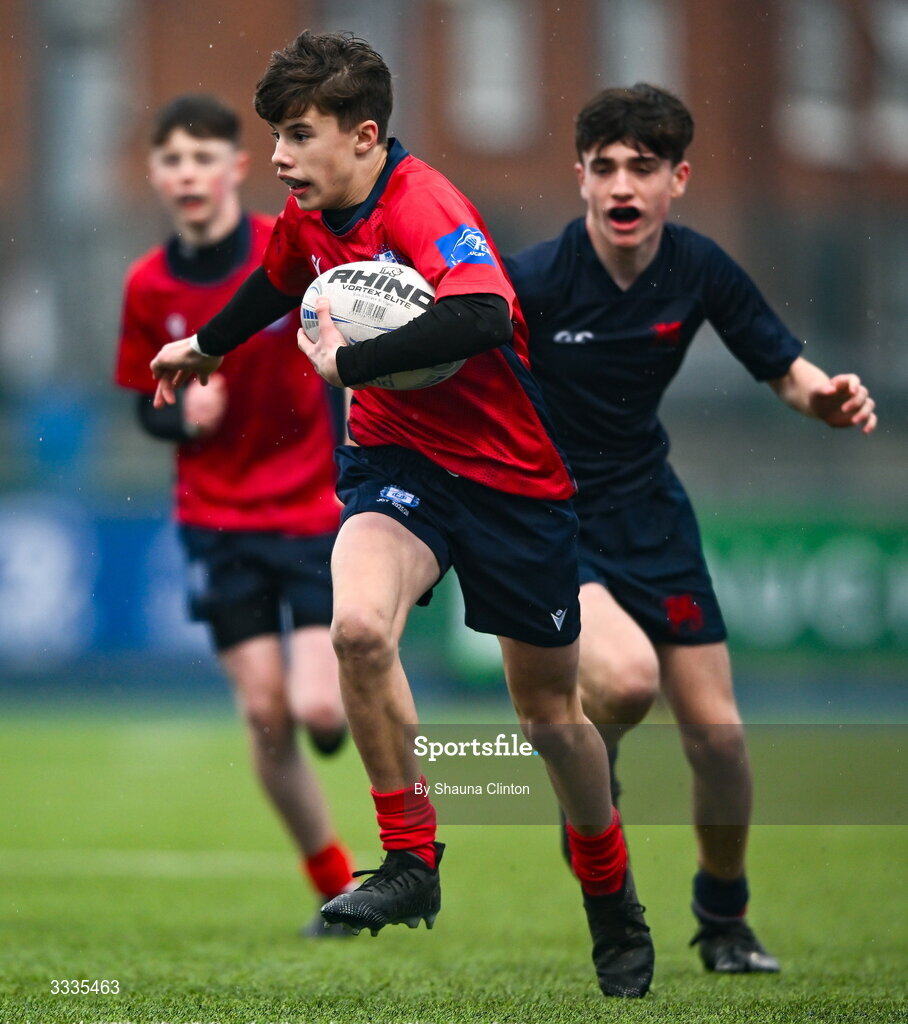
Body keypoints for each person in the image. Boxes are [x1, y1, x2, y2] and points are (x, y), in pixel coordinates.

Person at [149, 32, 654, 1000]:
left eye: (297, 136)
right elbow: (278, 277)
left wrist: (351, 363)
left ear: (365, 134)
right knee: (354, 627)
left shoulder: (422, 204)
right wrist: (206, 346)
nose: (279, 159)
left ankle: (609, 892)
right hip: (397, 461)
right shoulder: (308, 214)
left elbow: (480, 315)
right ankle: (409, 860)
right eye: (274, 137)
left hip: (510, 481)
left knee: (550, 719)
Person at [504, 83, 878, 975]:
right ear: (580, 179)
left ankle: (724, 921)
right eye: (605, 169)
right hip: (553, 520)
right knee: (626, 684)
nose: (623, 186)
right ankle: (591, 785)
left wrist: (822, 396)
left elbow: (784, 365)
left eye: (644, 168)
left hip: (652, 513)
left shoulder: (701, 268)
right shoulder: (533, 281)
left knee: (719, 737)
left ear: (680, 179)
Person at [113, 93, 356, 936]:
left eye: (203, 157)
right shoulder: (147, 284)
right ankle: (332, 881)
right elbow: (141, 404)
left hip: (313, 511)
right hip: (218, 519)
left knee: (321, 711)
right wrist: (182, 419)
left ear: (235, 169)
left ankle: (342, 731)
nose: (188, 173)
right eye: (172, 159)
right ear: (155, 174)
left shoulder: (281, 254)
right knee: (265, 712)